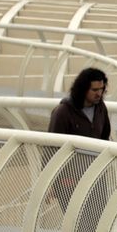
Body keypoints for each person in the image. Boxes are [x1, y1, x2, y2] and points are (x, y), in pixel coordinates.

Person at [47, 68, 113, 208]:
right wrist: (50, 182)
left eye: (102, 89)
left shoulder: (101, 108)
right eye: (95, 90)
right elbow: (52, 149)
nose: (99, 94)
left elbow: (105, 137)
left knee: (98, 222)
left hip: (96, 177)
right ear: (83, 89)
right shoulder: (63, 112)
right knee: (76, 224)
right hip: (69, 179)